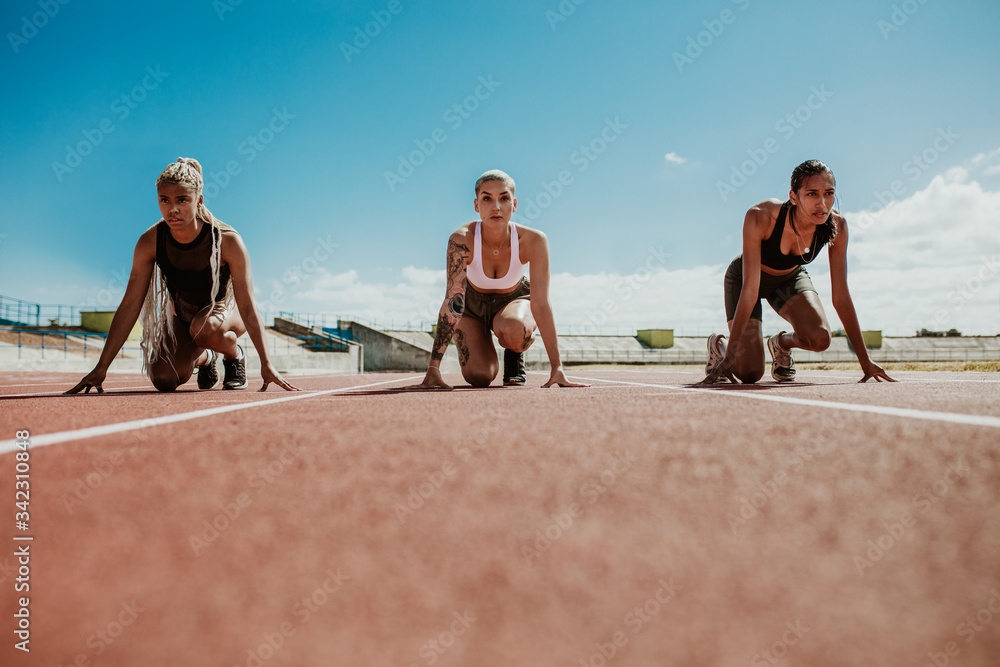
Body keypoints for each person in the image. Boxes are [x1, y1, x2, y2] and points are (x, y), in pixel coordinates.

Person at [67, 158, 299, 394]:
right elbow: (129, 305)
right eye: (164, 200)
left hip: (226, 312)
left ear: (198, 200)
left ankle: (233, 354)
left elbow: (248, 306)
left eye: (182, 200)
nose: (172, 209)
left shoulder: (227, 241)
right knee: (164, 379)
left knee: (204, 328)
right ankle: (206, 358)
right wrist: (101, 367)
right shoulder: (150, 243)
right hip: (184, 317)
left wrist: (267, 363)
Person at [703, 159, 895, 384]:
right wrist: (730, 358)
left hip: (789, 279)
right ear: (793, 196)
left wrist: (865, 361)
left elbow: (841, 296)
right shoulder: (760, 216)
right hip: (745, 280)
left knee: (820, 338)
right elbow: (750, 290)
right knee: (749, 374)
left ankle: (780, 344)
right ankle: (720, 347)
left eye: (829, 193)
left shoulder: (837, 226)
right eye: (812, 194)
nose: (822, 204)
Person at [408, 170, 588, 389]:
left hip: (512, 300)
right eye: (487, 199)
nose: (496, 206)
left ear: (514, 204)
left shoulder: (533, 240)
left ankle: (514, 355)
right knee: (480, 376)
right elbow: (453, 300)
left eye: (504, 198)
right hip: (471, 306)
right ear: (476, 205)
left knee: (515, 330)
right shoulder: (461, 240)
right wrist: (433, 369)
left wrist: (557, 368)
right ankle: (483, 342)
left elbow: (541, 303)